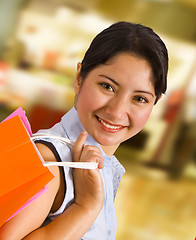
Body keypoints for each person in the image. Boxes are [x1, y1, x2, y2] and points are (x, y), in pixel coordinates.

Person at [0, 21, 168, 240]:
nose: (117, 112)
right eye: (108, 86)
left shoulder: (101, 164)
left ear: (155, 103)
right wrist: (85, 208)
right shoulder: (49, 164)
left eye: (139, 98)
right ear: (79, 78)